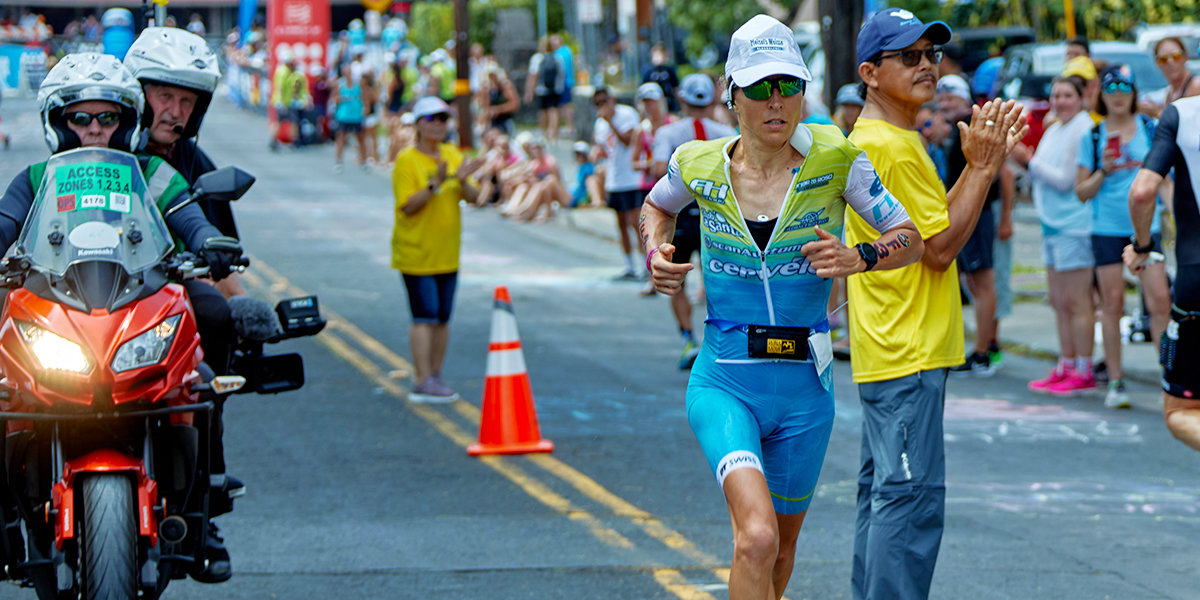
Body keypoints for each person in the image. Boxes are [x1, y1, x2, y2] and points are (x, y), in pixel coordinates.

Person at [642, 15, 923, 600]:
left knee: (781, 556)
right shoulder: (698, 164)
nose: (776, 101)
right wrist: (655, 251)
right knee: (756, 537)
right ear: (733, 97)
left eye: (788, 86)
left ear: (802, 93)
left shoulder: (836, 160)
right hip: (726, 380)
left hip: (804, 390)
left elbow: (910, 236)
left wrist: (860, 256)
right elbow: (655, 205)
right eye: (760, 88)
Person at [0, 53, 243, 581]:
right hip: (57, 300)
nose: (94, 129)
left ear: (126, 122)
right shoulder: (36, 177)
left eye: (107, 117)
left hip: (138, 297)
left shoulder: (155, 173)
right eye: (80, 118)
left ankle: (201, 510)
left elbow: (190, 218)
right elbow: (6, 223)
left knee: (198, 379)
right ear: (58, 123)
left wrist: (210, 242)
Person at [847, 9, 1025, 599]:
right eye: (909, 56)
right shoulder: (890, 147)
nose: (927, 66)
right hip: (908, 349)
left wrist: (975, 170)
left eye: (931, 55)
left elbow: (929, 228)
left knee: (887, 500)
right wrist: (981, 167)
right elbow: (941, 248)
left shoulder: (891, 140)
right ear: (871, 73)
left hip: (894, 345)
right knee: (909, 506)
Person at [125, 26, 284, 583]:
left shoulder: (196, 164)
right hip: (87, 300)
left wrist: (249, 310)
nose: (174, 110)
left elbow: (223, 261)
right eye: (163, 95)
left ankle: (203, 503)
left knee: (216, 317)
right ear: (134, 93)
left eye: (187, 100)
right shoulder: (96, 145)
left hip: (166, 301)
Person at [1075, 65, 1171, 409]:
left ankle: (1168, 382)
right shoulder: (1094, 135)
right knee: (1112, 305)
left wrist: (1176, 215)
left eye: (1124, 87)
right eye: (1110, 87)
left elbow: (1167, 181)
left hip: (1146, 229)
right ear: (1102, 94)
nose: (1117, 94)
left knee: (1160, 301)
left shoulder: (1150, 128)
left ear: (1133, 92)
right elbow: (1081, 191)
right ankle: (1116, 381)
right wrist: (1104, 169)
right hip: (1106, 230)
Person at [391, 97, 484, 402]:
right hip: (416, 252)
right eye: (431, 119)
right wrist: (435, 185)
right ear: (418, 124)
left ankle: (436, 374)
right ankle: (421, 378)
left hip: (447, 251)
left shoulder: (451, 153)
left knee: (443, 317)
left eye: (443, 119)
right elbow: (407, 206)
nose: (438, 125)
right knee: (425, 315)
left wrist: (462, 180)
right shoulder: (408, 160)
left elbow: (472, 197)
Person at [1010, 76, 1097, 394]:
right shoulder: (1057, 128)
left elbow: (1064, 180)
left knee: (1078, 301)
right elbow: (1038, 175)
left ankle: (1084, 368)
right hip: (1051, 223)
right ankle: (1067, 363)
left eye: (1067, 95)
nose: (1060, 101)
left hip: (1074, 225)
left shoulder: (1083, 128)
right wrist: (1020, 160)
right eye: (1056, 95)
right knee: (1060, 302)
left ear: (1081, 97)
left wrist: (1027, 159)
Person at [1125, 94, 1200, 452]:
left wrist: (1142, 248)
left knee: (1182, 410)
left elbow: (1142, 192)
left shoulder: (1183, 114)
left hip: (1196, 279)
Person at [649, 73, 736, 369]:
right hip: (719, 211)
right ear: (712, 99)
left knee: (677, 281)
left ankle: (689, 338)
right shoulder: (726, 130)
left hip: (682, 213)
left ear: (682, 99)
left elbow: (659, 169)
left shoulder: (668, 132)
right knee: (723, 278)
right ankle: (723, 341)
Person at [938, 74, 1003, 376]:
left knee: (982, 282)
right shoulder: (954, 128)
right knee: (974, 283)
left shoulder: (971, 125)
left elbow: (997, 172)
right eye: (942, 98)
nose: (945, 103)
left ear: (965, 100)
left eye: (951, 97)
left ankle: (983, 351)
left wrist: (1006, 218)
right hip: (966, 211)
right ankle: (981, 346)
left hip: (978, 212)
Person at [593, 86, 646, 280]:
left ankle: (644, 266)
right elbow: (604, 147)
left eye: (604, 101)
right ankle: (630, 265)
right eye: (598, 103)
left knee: (635, 222)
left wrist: (610, 122)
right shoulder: (599, 124)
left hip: (631, 178)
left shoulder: (626, 114)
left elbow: (627, 141)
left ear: (612, 99)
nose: (602, 106)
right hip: (614, 179)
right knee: (621, 224)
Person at [268, 47, 310, 151]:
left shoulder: (281, 69)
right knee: (291, 121)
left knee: (281, 121)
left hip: (282, 100)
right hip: (284, 101)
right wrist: (282, 101)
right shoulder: (285, 72)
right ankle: (294, 141)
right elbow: (281, 88)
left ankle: (274, 141)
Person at [525, 37, 565, 144]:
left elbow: (533, 77)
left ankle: (545, 135)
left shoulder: (537, 58)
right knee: (554, 111)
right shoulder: (558, 58)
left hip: (541, 89)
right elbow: (562, 75)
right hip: (555, 89)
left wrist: (529, 92)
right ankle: (554, 136)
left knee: (543, 112)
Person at [331, 62, 367, 172]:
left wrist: (366, 108)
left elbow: (365, 96)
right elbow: (334, 97)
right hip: (343, 115)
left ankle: (363, 161)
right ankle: (339, 161)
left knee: (360, 138)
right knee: (341, 138)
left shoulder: (359, 83)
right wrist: (339, 99)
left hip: (356, 115)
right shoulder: (340, 84)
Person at [642, 43, 681, 114]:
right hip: (653, 103)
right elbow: (643, 88)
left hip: (669, 104)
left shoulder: (669, 70)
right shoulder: (649, 71)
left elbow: (676, 88)